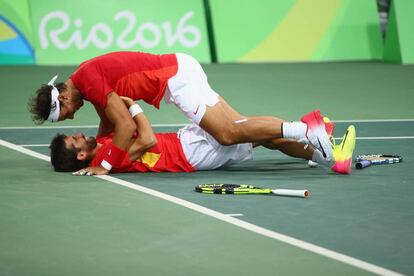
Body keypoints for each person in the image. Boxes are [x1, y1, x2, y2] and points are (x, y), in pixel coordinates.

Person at [29, 51, 333, 175]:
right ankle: (320, 153)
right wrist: (103, 149)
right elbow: (110, 125)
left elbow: (124, 128)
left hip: (176, 79)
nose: (71, 118)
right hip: (179, 73)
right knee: (245, 129)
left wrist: (105, 165)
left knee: (228, 134)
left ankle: (307, 131)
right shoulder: (87, 82)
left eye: (65, 113)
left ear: (64, 96)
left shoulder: (89, 82)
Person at [49, 98, 356, 175]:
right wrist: (135, 106)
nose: (79, 134)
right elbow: (146, 139)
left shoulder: (102, 147)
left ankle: (327, 155)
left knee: (263, 137)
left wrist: (103, 98)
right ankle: (309, 132)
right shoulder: (103, 158)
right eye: (75, 141)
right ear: (79, 156)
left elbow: (108, 120)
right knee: (249, 129)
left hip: (187, 143)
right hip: (189, 154)